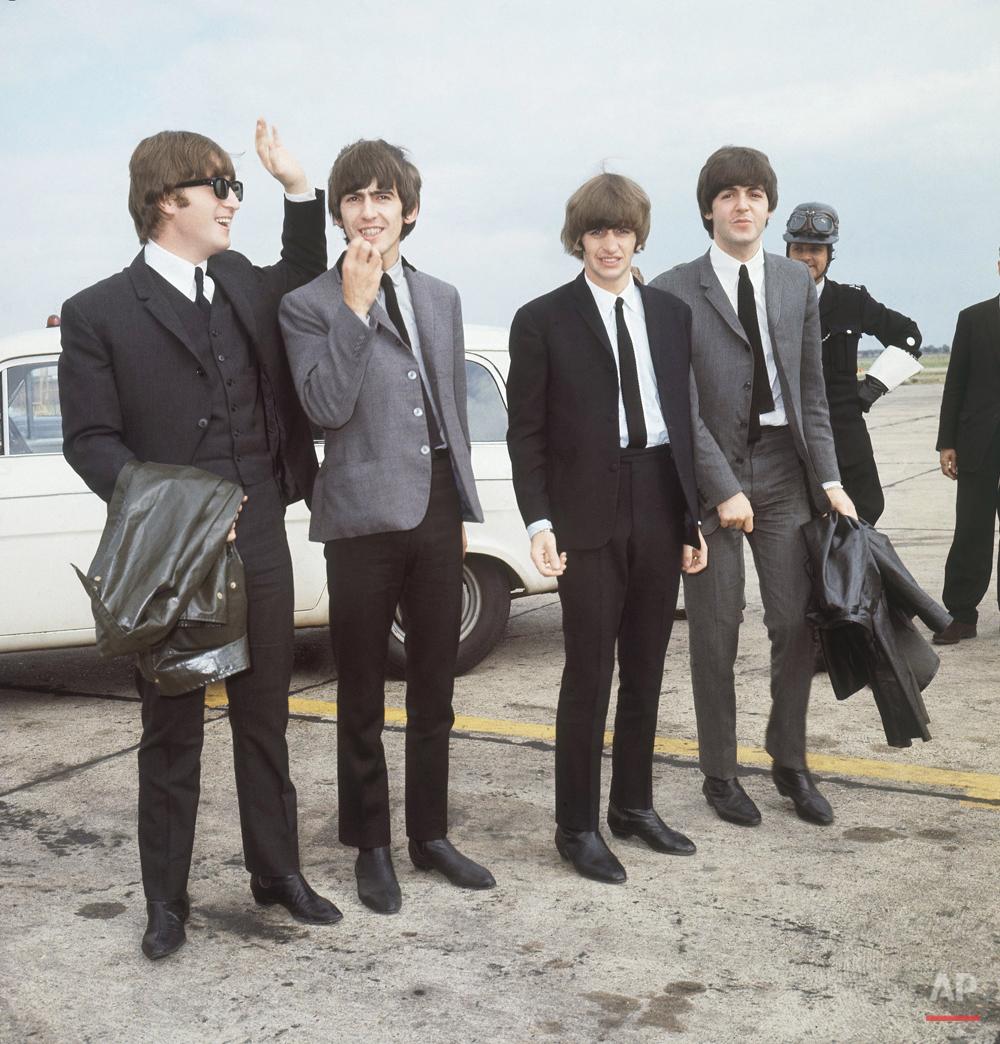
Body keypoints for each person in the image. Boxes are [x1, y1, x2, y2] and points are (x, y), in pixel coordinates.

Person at [58, 121, 341, 961]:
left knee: (265, 719)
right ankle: (166, 901)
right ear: (163, 200)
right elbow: (91, 441)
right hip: (173, 553)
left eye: (233, 187)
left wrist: (297, 188)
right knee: (173, 730)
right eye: (217, 187)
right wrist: (181, 508)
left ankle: (277, 873)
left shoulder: (241, 280)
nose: (230, 202)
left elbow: (303, 271)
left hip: (262, 536)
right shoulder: (98, 312)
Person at [279, 139, 495, 915]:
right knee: (363, 690)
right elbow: (324, 407)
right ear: (338, 213)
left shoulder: (441, 296)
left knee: (435, 684)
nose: (369, 211)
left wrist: (461, 507)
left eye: (383, 197)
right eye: (354, 198)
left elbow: (450, 409)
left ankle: (430, 835)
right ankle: (371, 844)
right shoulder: (307, 304)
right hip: (359, 518)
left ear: (409, 209)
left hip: (435, 507)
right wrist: (355, 307)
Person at [506, 173, 706, 884]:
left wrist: (690, 517)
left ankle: (633, 806)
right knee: (588, 671)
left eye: (621, 231)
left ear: (638, 236)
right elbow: (525, 433)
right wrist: (539, 520)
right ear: (579, 238)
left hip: (659, 496)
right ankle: (577, 827)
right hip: (584, 510)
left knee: (647, 665)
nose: (610, 243)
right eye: (597, 231)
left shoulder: (671, 315)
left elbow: (682, 423)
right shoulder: (541, 319)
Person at [651, 147, 857, 829]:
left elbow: (811, 392)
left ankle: (789, 760)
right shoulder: (673, 289)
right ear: (708, 209)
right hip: (710, 474)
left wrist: (829, 478)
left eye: (755, 194)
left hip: (785, 471)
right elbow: (678, 407)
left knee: (795, 624)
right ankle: (719, 772)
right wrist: (721, 487)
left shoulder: (795, 283)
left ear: (769, 207)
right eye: (728, 195)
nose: (743, 205)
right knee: (715, 629)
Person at [783, 202, 922, 524]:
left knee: (865, 509)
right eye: (799, 248)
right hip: (788, 439)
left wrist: (869, 389)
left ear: (830, 254)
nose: (806, 257)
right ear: (787, 252)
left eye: (816, 250)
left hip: (845, 435)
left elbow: (908, 335)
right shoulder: (768, 302)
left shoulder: (851, 300)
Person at [933, 252, 1000, 644]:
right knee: (971, 528)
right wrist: (947, 443)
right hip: (978, 442)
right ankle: (961, 614)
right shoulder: (973, 318)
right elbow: (955, 382)